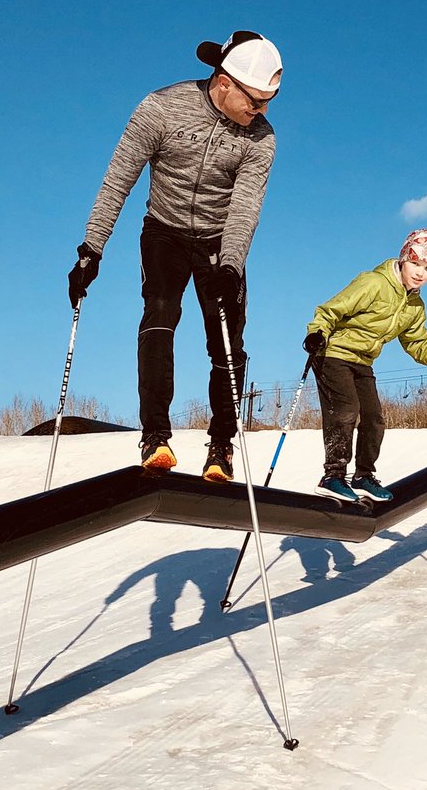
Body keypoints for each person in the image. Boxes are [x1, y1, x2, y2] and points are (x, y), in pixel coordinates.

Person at [67, 30, 282, 482]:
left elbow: (245, 206)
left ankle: (222, 445)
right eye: (256, 100)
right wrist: (92, 247)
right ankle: (155, 437)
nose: (261, 111)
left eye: (269, 101)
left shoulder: (261, 139)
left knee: (227, 341)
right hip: (163, 231)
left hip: (219, 242)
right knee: (160, 313)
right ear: (224, 82)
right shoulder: (161, 108)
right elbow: (118, 177)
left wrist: (230, 265)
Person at [303, 228, 427, 504]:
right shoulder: (374, 283)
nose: (420, 272)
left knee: (374, 419)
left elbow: (418, 345)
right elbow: (331, 310)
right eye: (415, 263)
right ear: (403, 259)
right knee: (346, 410)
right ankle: (333, 475)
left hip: (363, 361)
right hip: (333, 353)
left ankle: (363, 476)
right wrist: (317, 332)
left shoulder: (415, 307)